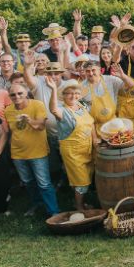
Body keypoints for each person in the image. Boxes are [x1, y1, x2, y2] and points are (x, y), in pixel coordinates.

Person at [4, 82, 59, 217]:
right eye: (13, 94)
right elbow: (12, 132)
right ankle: (37, 204)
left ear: (26, 93)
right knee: (28, 182)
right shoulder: (8, 110)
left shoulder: (37, 105)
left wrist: (29, 120)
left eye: (20, 93)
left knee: (44, 183)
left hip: (37, 152)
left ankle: (53, 212)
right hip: (18, 153)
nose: (16, 96)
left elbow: (40, 127)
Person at [46, 78, 98, 211]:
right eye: (69, 93)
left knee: (84, 178)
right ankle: (79, 207)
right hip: (72, 152)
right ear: (63, 96)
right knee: (81, 181)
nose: (73, 96)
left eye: (76, 93)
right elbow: (53, 109)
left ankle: (80, 202)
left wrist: (95, 139)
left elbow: (91, 123)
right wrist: (53, 89)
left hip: (86, 149)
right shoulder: (63, 111)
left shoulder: (82, 106)